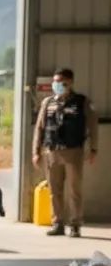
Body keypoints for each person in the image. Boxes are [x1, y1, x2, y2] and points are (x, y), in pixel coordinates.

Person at [31, 67, 99, 238]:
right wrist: (36, 151)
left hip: (73, 151)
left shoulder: (81, 102)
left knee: (75, 190)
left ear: (70, 83)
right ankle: (58, 223)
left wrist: (93, 149)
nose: (57, 85)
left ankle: (75, 224)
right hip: (52, 152)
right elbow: (39, 128)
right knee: (55, 190)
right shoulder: (48, 102)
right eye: (55, 81)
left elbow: (92, 126)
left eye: (61, 82)